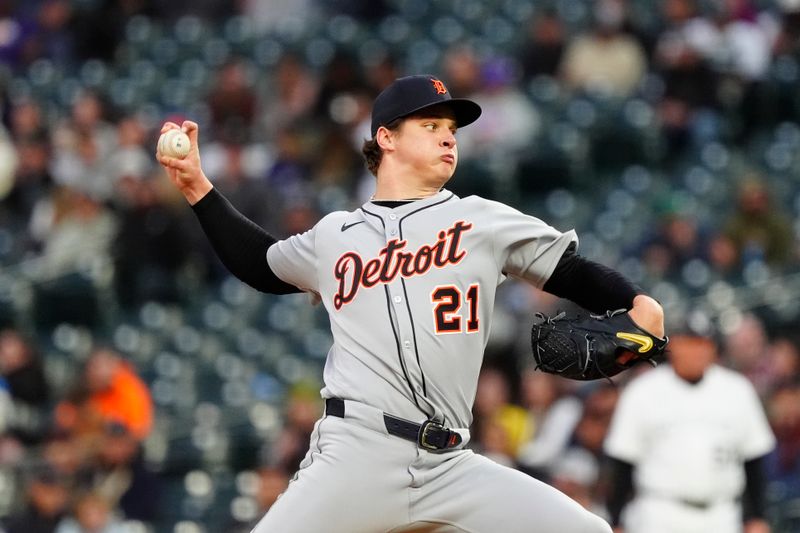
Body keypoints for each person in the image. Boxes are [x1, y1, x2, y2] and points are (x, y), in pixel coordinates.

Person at [157, 74, 665, 533]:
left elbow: (571, 271)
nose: (448, 136)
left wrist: (636, 300)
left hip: (451, 462)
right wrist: (198, 188)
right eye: (431, 125)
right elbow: (261, 264)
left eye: (452, 129)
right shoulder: (336, 235)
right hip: (357, 455)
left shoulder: (481, 221)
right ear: (386, 137)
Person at [603, 313, 775, 533]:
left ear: (713, 349)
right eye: (689, 343)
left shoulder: (737, 390)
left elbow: (754, 460)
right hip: (660, 513)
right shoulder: (643, 391)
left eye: (702, 344)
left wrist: (758, 517)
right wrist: (616, 519)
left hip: (722, 515)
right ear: (674, 346)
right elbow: (622, 462)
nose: (696, 352)